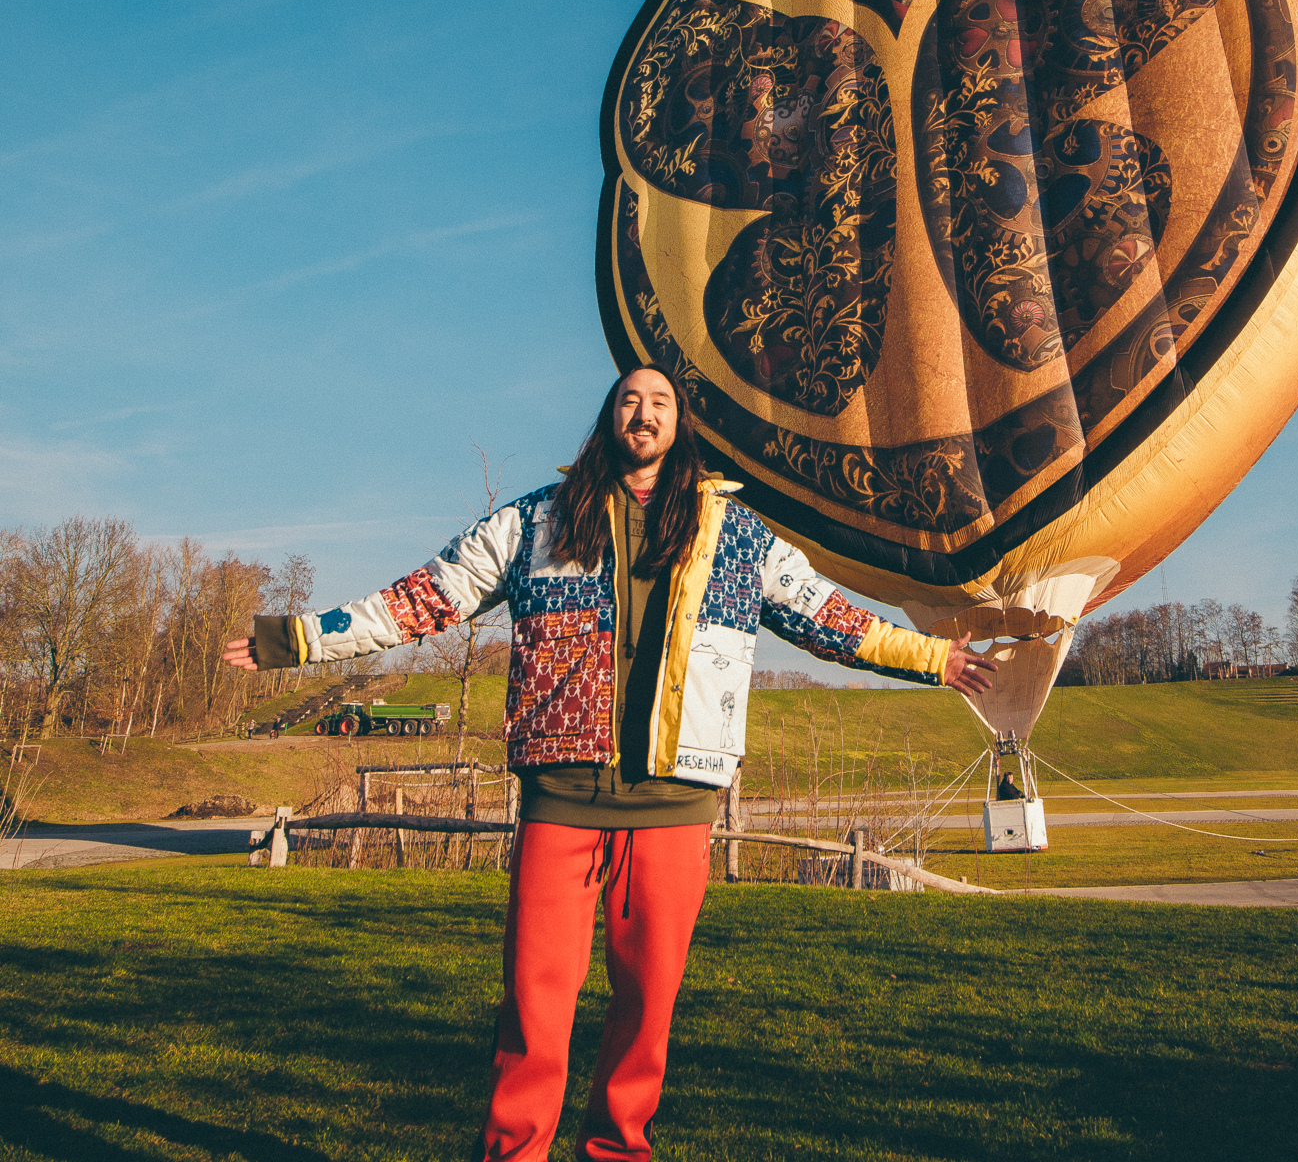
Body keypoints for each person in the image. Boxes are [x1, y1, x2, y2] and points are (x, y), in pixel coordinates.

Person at [224, 362, 996, 1162]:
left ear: (679, 424)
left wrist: (932, 657)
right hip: (563, 795)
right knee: (534, 1004)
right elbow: (424, 598)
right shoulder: (536, 521)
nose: (645, 411)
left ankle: (620, 1151)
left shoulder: (733, 532)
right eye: (630, 399)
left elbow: (825, 615)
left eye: (660, 401)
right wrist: (299, 639)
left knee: (648, 1008)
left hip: (676, 801)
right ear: (609, 417)